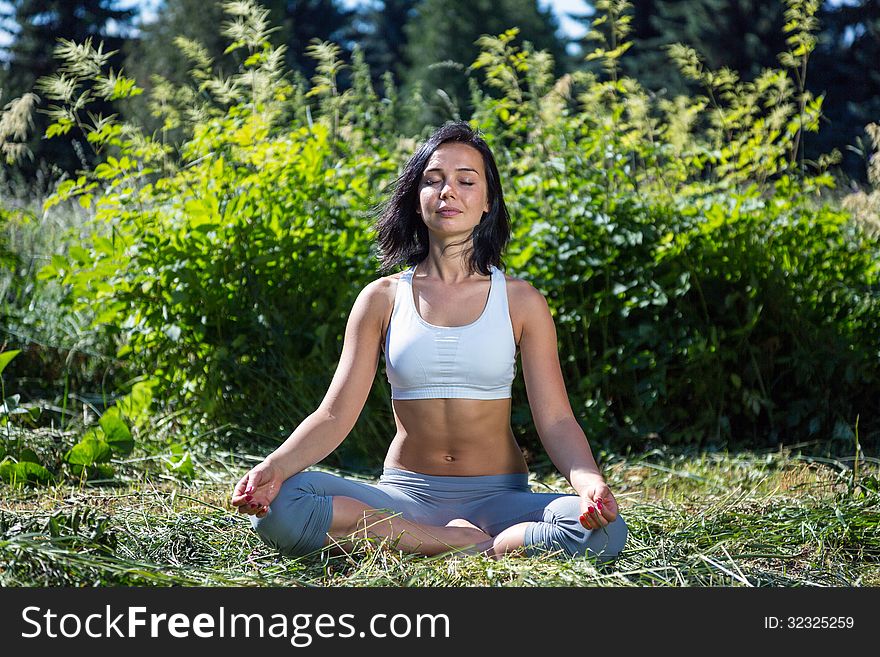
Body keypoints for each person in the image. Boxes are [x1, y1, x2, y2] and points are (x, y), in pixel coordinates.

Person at [230, 121, 628, 561]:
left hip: (499, 501)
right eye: (433, 180)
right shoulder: (381, 298)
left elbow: (555, 421)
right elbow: (334, 414)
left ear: (487, 202)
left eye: (465, 181)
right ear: (416, 199)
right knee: (279, 506)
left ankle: (439, 543)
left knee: (605, 533)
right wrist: (276, 466)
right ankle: (463, 544)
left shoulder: (521, 302)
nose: (447, 192)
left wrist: (590, 483)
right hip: (405, 497)